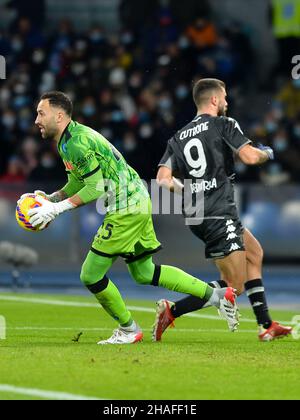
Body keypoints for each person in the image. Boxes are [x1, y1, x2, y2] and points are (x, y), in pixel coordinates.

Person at [19, 91, 239, 345]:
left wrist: (56, 210)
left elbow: (96, 187)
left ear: (59, 116)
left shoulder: (77, 142)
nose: (36, 119)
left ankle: (128, 329)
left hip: (126, 206)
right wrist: (52, 198)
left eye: (41, 113)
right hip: (137, 199)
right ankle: (216, 295)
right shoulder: (68, 140)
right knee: (145, 272)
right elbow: (78, 181)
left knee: (90, 275)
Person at [154, 78, 293, 342]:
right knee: (234, 285)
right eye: (225, 97)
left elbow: (162, 178)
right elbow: (250, 157)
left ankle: (266, 325)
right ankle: (172, 311)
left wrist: (188, 190)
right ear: (215, 100)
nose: (227, 102)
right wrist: (266, 152)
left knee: (254, 253)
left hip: (197, 212)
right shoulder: (223, 124)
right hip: (218, 211)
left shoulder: (177, 137)